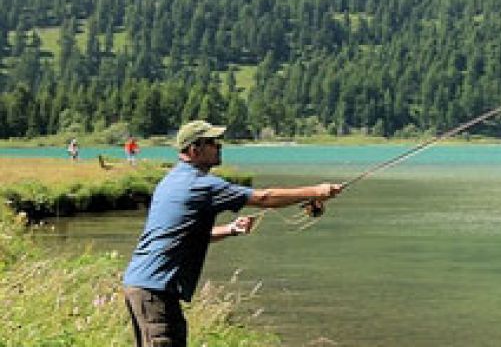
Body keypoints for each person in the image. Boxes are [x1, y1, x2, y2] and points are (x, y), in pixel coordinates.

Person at [122, 120, 343, 347]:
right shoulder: (201, 184)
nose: (219, 146)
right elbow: (264, 198)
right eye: (212, 142)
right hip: (155, 290)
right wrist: (317, 191)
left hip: (143, 285)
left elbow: (185, 235)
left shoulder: (172, 180)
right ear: (194, 149)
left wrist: (229, 229)